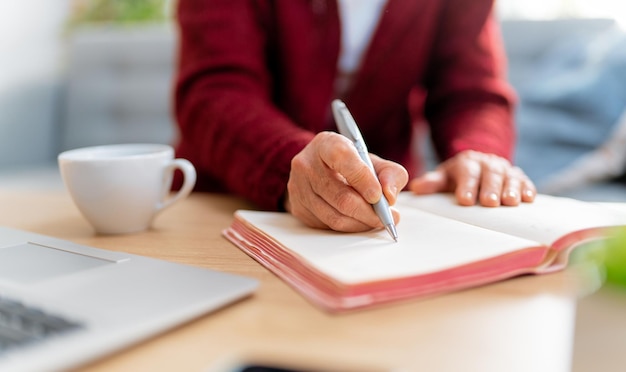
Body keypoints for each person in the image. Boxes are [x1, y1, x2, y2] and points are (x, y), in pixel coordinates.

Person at [173, 0, 536, 233]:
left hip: (385, 207)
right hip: (223, 207)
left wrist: (477, 151)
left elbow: (472, 92)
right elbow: (214, 91)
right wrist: (286, 162)